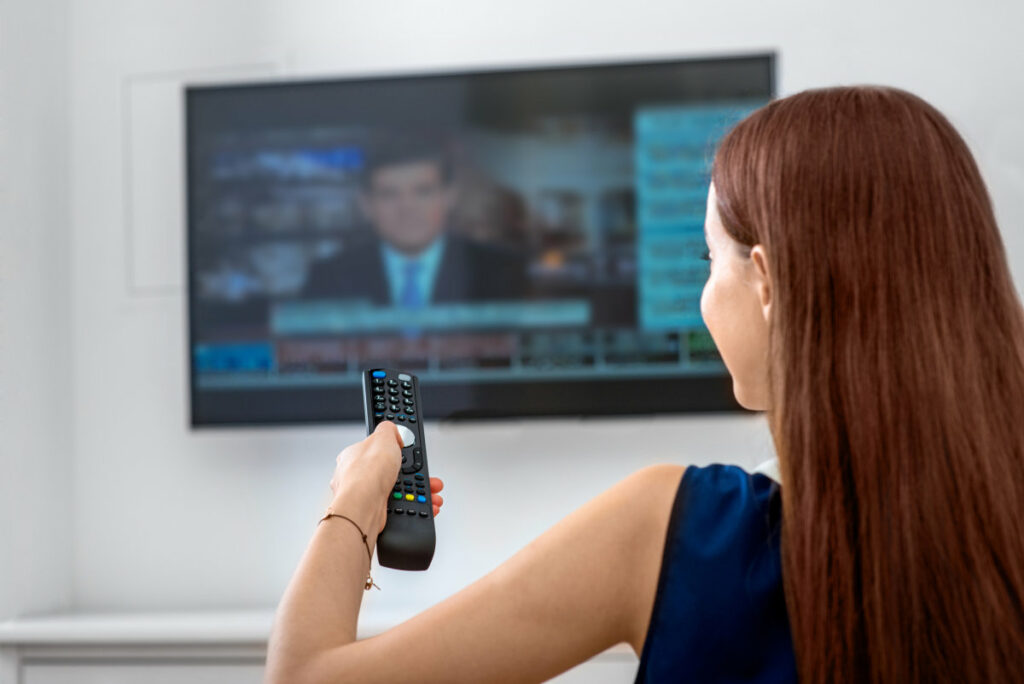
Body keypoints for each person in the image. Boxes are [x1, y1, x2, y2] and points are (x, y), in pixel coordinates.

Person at [265, 87, 1024, 682]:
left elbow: (307, 678)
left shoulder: (676, 529)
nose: (704, 294)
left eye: (708, 261)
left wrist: (353, 510)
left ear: (766, 283)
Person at [304, 134, 529, 307]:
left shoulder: (500, 270)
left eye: (423, 192)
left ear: (449, 197)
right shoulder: (329, 277)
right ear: (366, 205)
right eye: (389, 194)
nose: (407, 208)